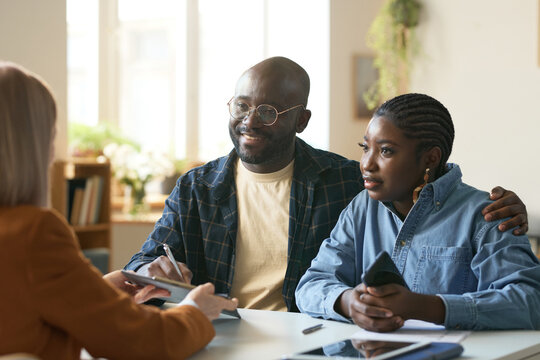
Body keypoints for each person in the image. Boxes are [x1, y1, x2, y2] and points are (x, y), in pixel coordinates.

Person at [125, 56, 529, 312]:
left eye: (268, 111)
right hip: (220, 336)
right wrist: (151, 268)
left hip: (309, 342)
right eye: (242, 106)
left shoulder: (348, 182)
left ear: (301, 121)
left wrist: (501, 209)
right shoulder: (197, 188)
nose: (250, 121)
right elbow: (141, 264)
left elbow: (424, 193)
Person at [0, 61, 237, 360]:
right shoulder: (34, 232)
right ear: (33, 145)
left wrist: (99, 291)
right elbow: (140, 342)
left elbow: (21, 298)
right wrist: (196, 312)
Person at [295, 93, 540, 330]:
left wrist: (428, 307)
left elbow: (529, 302)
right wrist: (348, 302)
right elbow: (310, 285)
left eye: (386, 151)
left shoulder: (487, 215)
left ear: (431, 158)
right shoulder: (362, 208)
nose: (367, 164)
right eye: (365, 147)